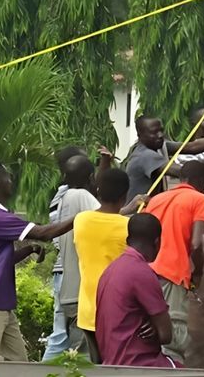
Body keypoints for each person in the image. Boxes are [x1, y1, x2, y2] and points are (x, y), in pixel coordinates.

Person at [0, 161, 75, 362]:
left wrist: (29, 249)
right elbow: (43, 233)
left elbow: (0, 260)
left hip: (0, 305)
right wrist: (82, 217)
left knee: (20, 366)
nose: (11, 181)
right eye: (8, 177)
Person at [144, 160, 204, 364]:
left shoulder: (156, 199)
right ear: (200, 181)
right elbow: (197, 244)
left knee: (147, 330)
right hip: (172, 274)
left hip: (145, 273)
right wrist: (198, 271)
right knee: (173, 335)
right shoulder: (200, 199)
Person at [95, 213, 178, 368]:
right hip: (138, 362)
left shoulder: (110, 270)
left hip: (110, 360)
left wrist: (153, 325)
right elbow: (166, 334)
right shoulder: (142, 272)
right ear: (157, 242)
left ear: (127, 240)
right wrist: (156, 326)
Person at [74, 168, 131, 362]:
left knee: (98, 368)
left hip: (88, 312)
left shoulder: (81, 220)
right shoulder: (129, 227)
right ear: (124, 196)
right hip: (119, 314)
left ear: (97, 192)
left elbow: (104, 217)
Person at [124, 115, 204, 203]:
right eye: (154, 133)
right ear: (140, 135)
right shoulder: (146, 155)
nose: (160, 135)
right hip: (137, 216)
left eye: (161, 130)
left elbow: (193, 146)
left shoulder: (160, 146)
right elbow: (184, 172)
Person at [42, 146, 86, 361]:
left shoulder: (59, 197)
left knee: (61, 333)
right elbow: (101, 216)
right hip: (71, 272)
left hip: (61, 271)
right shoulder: (77, 196)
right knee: (65, 335)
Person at [54, 155, 100, 352]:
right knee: (83, 357)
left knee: (75, 351)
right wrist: (132, 207)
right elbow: (107, 217)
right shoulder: (81, 195)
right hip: (81, 292)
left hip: (69, 291)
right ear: (91, 177)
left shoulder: (63, 199)